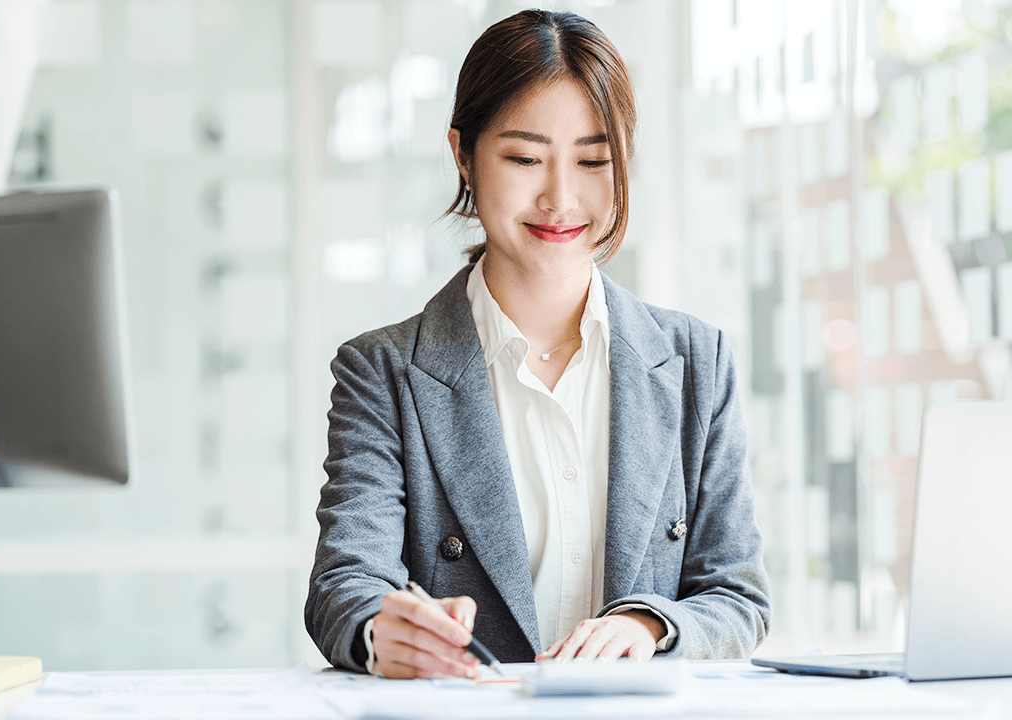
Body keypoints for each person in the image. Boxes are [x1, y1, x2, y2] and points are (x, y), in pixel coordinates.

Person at [305, 9, 770, 680]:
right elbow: (345, 585)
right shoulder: (382, 372)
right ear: (463, 154)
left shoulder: (697, 363)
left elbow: (738, 598)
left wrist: (648, 625)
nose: (559, 197)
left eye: (593, 161)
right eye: (523, 158)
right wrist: (383, 629)